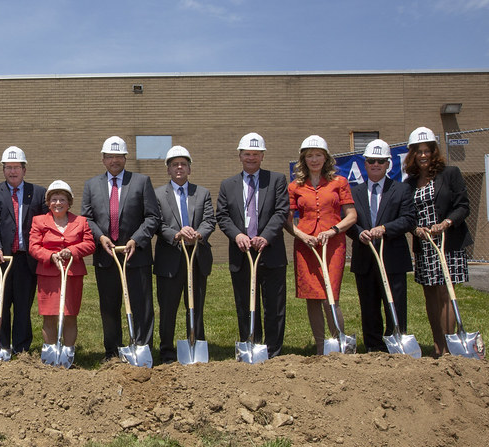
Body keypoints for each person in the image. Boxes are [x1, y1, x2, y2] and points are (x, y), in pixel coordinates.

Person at [80, 136, 160, 360]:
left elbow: (153, 217)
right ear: (103, 159)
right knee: (109, 306)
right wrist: (100, 237)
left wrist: (137, 238)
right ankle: (112, 351)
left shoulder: (141, 182)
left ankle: (142, 350)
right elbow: (87, 218)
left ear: (125, 158)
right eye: (109, 156)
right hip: (106, 256)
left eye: (118, 156)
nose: (114, 160)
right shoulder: (91, 185)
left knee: (141, 305)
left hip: (136, 256)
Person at [215, 132, 290, 358]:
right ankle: (251, 346)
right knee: (246, 305)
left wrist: (265, 236)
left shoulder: (276, 180)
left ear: (263, 156)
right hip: (242, 253)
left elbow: (281, 211)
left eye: (255, 154)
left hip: (271, 252)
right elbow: (223, 215)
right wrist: (237, 235)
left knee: (274, 306)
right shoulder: (228, 185)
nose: (251, 158)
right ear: (240, 156)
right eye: (247, 154)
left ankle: (273, 351)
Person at [286, 135, 357, 355]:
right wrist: (301, 236)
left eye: (318, 155)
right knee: (312, 297)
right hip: (307, 246)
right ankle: (320, 347)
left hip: (332, 245)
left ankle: (339, 343)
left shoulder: (339, 183)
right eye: (310, 156)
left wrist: (334, 230)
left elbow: (351, 216)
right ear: (303, 159)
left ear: (326, 158)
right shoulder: (295, 186)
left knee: (330, 295)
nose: (314, 160)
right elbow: (287, 221)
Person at [404, 126, 472, 357]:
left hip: (447, 242)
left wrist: (446, 223)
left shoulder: (450, 174)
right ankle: (437, 345)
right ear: (412, 154)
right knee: (430, 295)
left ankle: (450, 346)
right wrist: (415, 229)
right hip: (424, 245)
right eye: (418, 151)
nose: (423, 155)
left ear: (434, 152)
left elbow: (463, 206)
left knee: (446, 293)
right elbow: (407, 215)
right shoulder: (410, 183)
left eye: (427, 150)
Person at [347, 139, 416, 352]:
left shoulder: (401, 190)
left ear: (388, 164)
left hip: (392, 259)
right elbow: (348, 222)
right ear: (365, 164)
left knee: (394, 304)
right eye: (371, 161)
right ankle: (373, 347)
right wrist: (359, 233)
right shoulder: (354, 192)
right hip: (365, 258)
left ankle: (395, 343)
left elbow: (408, 219)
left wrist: (384, 229)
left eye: (380, 161)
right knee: (369, 306)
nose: (375, 164)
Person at [0, 146, 48, 354]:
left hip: (26, 260)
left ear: (24, 169)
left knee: (22, 307)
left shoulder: (38, 193)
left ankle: (21, 348)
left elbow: (45, 225)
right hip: (0, 259)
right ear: (3, 170)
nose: (12, 171)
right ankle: (1, 346)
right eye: (8, 167)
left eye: (16, 167)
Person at [153, 146, 216, 363]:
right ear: (168, 169)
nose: (179, 167)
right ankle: (167, 351)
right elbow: (157, 224)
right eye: (174, 164)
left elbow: (210, 220)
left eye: (183, 164)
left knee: (196, 306)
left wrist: (198, 234)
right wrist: (177, 234)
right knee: (168, 308)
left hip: (197, 257)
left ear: (189, 168)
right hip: (170, 259)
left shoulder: (202, 193)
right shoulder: (158, 194)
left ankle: (196, 345)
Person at [28, 180, 96, 352]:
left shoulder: (80, 221)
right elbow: (33, 246)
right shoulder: (39, 221)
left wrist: (72, 251)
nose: (57, 203)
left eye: (62, 199)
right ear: (48, 202)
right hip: (48, 274)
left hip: (72, 273)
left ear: (69, 202)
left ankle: (68, 352)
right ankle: (51, 351)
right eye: (54, 199)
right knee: (49, 315)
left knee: (70, 314)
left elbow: (90, 244)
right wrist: (50, 256)